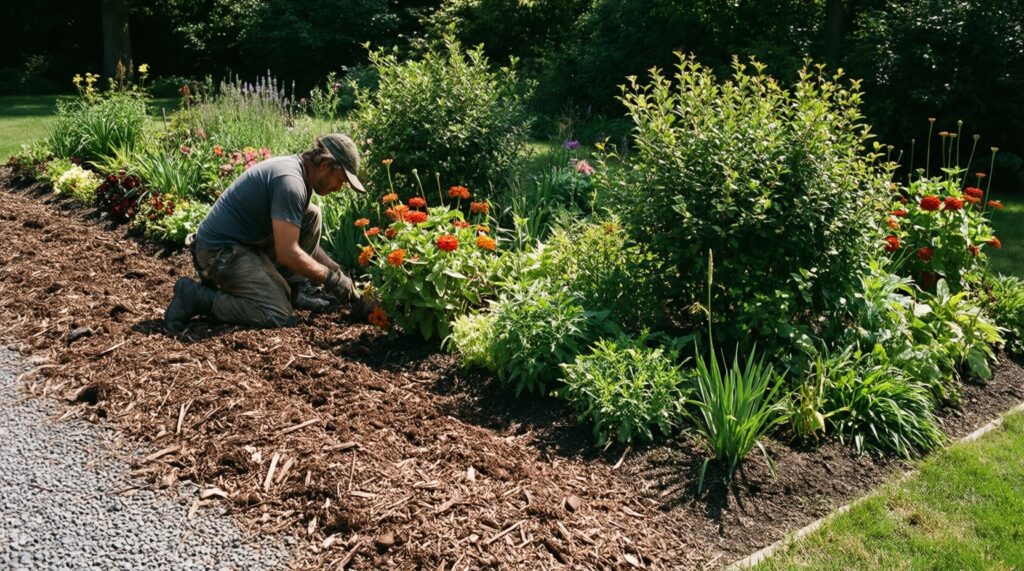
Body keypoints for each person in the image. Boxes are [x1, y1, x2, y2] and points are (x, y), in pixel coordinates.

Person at [164, 134, 370, 332]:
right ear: (325, 166)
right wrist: (331, 279)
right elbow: (288, 252)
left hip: (242, 246)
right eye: (341, 180)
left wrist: (337, 272)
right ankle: (195, 297)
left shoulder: (298, 174)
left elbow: (297, 243)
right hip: (217, 255)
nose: (339, 188)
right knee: (276, 313)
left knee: (312, 215)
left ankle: (291, 292)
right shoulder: (291, 183)